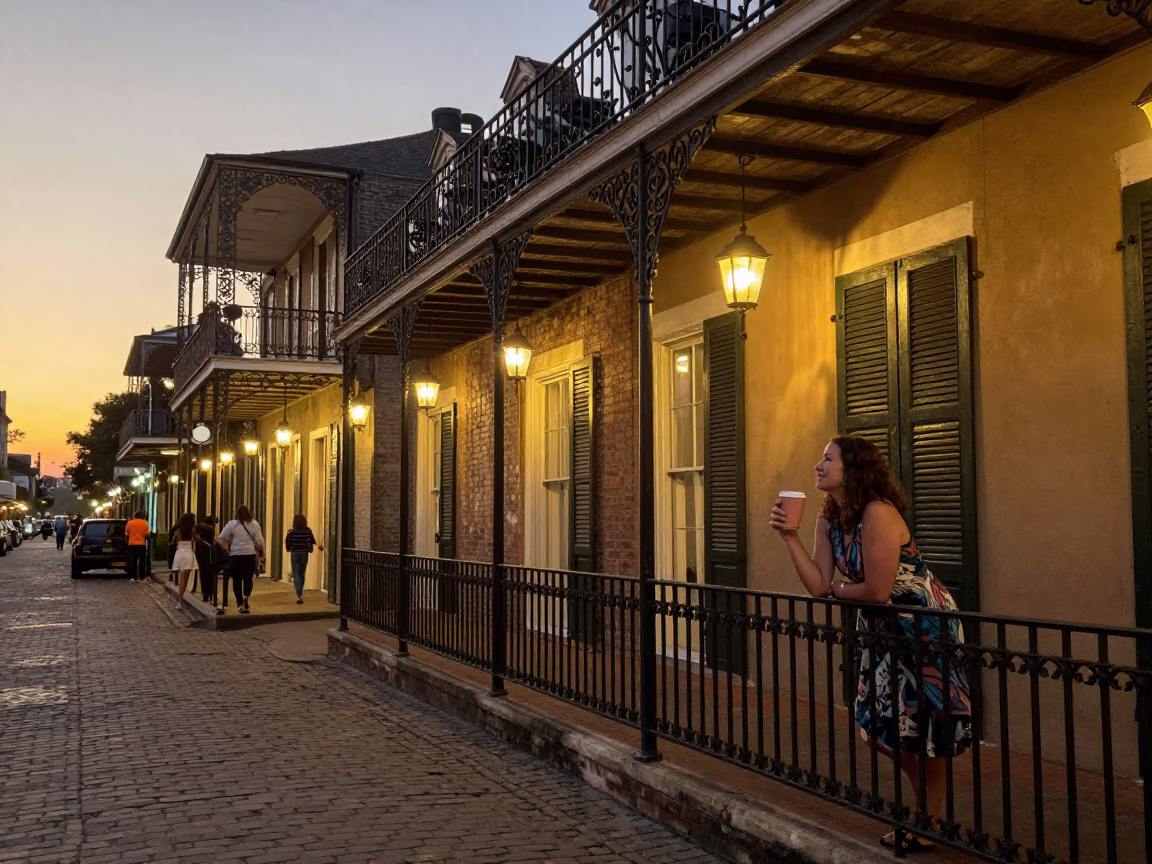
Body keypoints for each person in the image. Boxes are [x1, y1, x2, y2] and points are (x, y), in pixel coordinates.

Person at [769, 436, 973, 854]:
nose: (818, 466)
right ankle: (928, 809)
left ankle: (925, 820)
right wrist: (790, 537)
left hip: (922, 627)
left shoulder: (878, 513)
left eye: (828, 459)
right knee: (876, 729)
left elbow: (877, 590)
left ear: (854, 468)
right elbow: (817, 585)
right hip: (882, 632)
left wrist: (838, 590)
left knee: (923, 729)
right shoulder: (829, 518)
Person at [216, 505, 264, 614]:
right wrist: (261, 553)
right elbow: (259, 541)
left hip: (235, 555)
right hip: (249, 555)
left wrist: (228, 548)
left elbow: (220, 538)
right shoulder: (254, 524)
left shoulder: (232, 524)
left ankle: (239, 603)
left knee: (236, 580)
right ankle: (246, 596)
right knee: (248, 578)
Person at [171, 512, 207, 611]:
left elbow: (174, 541)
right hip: (188, 554)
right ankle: (180, 601)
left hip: (179, 553)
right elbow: (199, 541)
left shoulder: (178, 531)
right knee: (184, 580)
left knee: (180, 578)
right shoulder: (192, 531)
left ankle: (179, 601)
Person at [285, 514, 323, 605]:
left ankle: (299, 595)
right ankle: (300, 593)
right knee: (302, 573)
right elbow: (312, 541)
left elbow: (287, 543)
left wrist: (289, 548)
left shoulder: (291, 532)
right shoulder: (308, 531)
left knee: (296, 573)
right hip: (304, 554)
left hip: (295, 554)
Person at [194, 516, 219, 602]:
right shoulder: (211, 529)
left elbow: (198, 538)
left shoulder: (200, 526)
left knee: (203, 573)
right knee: (210, 573)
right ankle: (210, 592)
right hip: (209, 553)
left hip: (201, 553)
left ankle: (205, 593)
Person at [124, 510, 150, 579]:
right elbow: (147, 534)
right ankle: (142, 577)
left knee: (133, 561)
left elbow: (126, 534)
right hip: (142, 544)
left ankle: (133, 576)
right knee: (142, 561)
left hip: (132, 544)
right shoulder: (145, 523)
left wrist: (127, 542)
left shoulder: (130, 523)